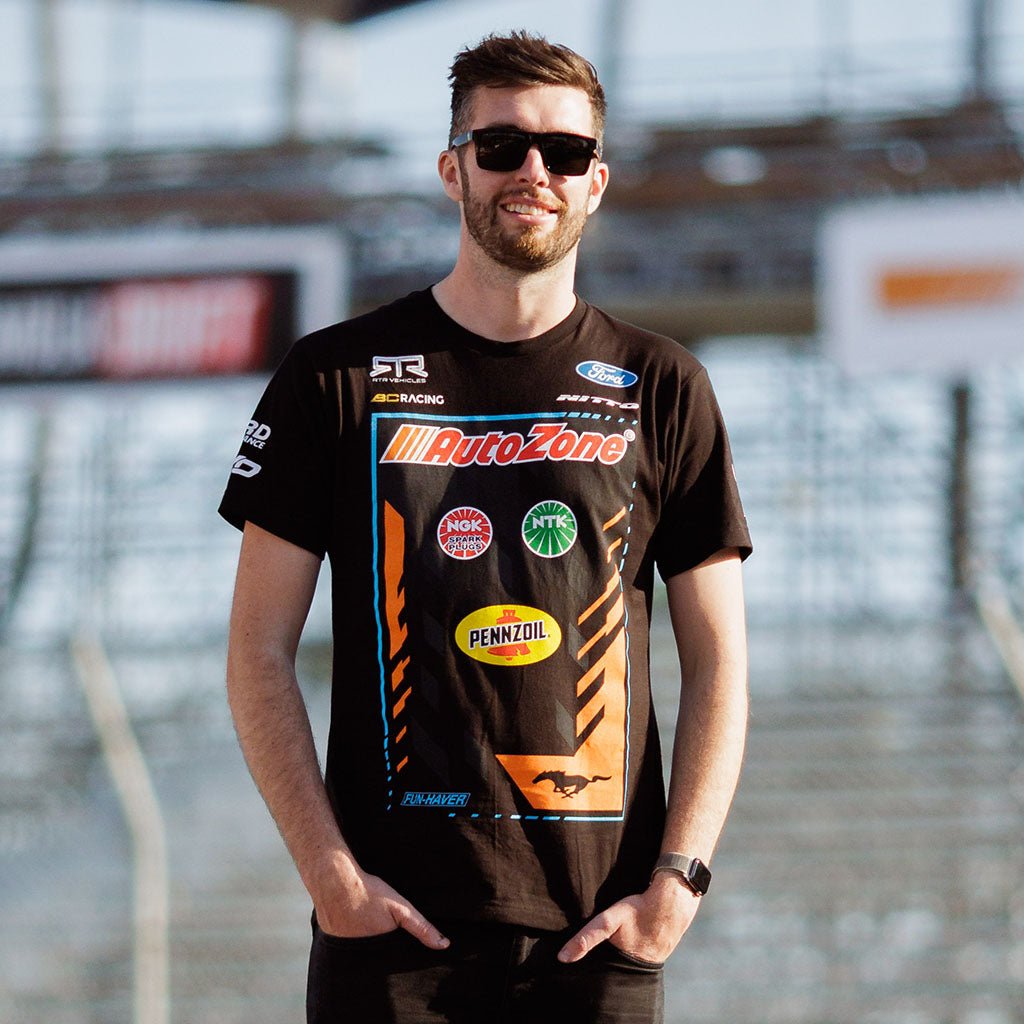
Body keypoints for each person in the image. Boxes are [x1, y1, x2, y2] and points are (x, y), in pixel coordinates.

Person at [220, 30, 751, 1024]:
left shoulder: (662, 385)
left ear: (597, 181)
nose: (533, 172)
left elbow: (720, 662)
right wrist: (333, 880)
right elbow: (255, 652)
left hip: (597, 939)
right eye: (501, 146)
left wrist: (676, 883)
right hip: (388, 944)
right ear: (451, 167)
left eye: (564, 152)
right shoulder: (332, 377)